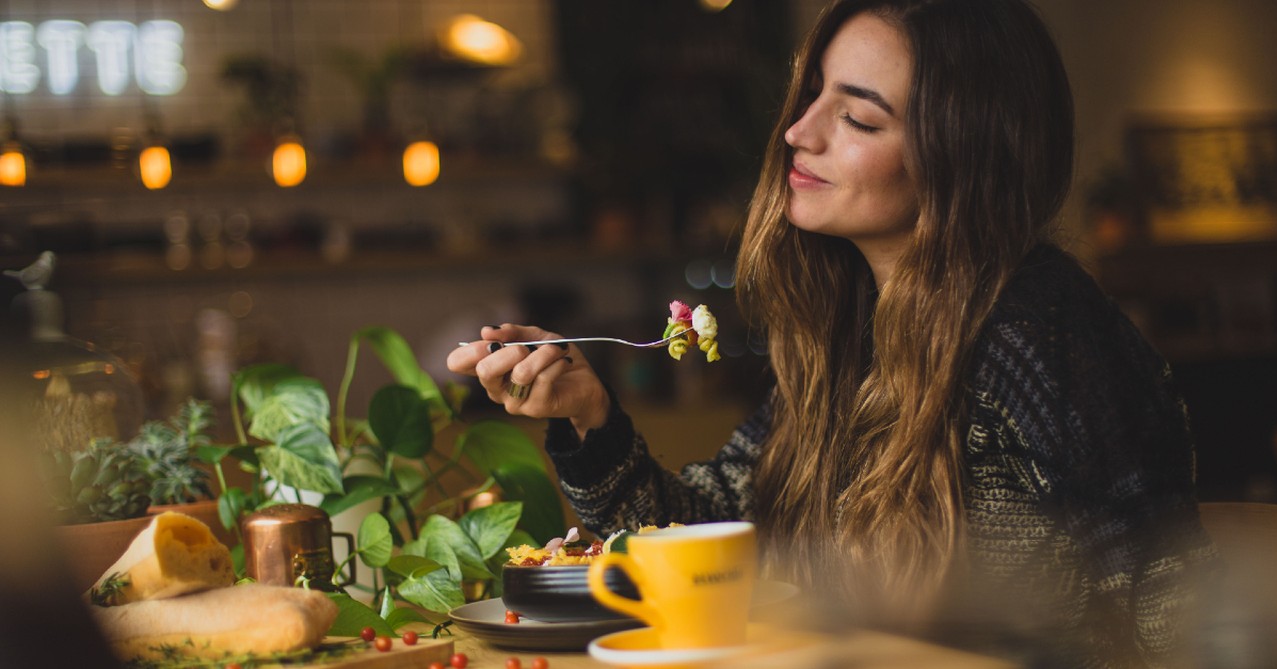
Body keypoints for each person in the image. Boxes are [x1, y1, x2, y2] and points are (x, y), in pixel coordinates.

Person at [448, 0, 1216, 665]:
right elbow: (706, 544)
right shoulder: (850, 334)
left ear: (962, 157)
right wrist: (590, 416)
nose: (798, 132)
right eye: (810, 94)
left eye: (857, 116)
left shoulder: (1037, 332)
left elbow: (1167, 617)